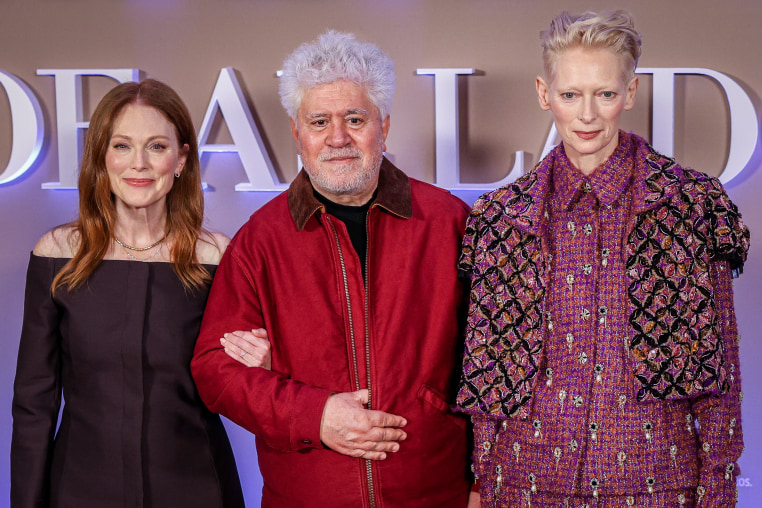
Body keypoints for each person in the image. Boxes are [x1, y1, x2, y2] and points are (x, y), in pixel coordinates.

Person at [456, 10, 750, 508]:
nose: (587, 114)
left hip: (657, 482)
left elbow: (721, 370)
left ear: (630, 93)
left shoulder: (691, 204)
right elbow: (489, 376)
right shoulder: (501, 216)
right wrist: (483, 483)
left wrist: (718, 489)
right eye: (570, 94)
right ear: (544, 93)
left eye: (605, 94)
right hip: (526, 480)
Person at [192, 30, 477, 507]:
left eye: (355, 118)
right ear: (297, 132)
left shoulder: (449, 223)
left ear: (383, 126)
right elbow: (215, 369)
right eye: (320, 120)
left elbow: (497, 366)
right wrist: (315, 415)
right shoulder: (260, 240)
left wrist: (482, 483)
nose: (338, 137)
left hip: (434, 494)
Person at [11, 78, 268, 507]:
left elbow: (245, 384)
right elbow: (33, 406)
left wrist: (265, 362)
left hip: (197, 487)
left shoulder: (219, 257)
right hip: (79, 490)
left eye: (157, 146)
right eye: (122, 146)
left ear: (182, 158)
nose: (139, 165)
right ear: (102, 157)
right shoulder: (57, 254)